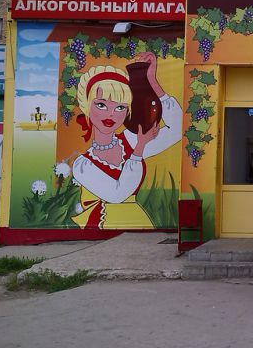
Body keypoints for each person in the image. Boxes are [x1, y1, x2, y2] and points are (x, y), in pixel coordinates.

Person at [71, 52, 182, 230]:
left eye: (120, 107)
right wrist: (139, 149)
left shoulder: (130, 140)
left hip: (137, 223)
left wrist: (152, 81)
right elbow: (117, 195)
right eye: (101, 104)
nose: (111, 114)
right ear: (86, 106)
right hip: (102, 226)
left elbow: (178, 128)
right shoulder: (82, 165)